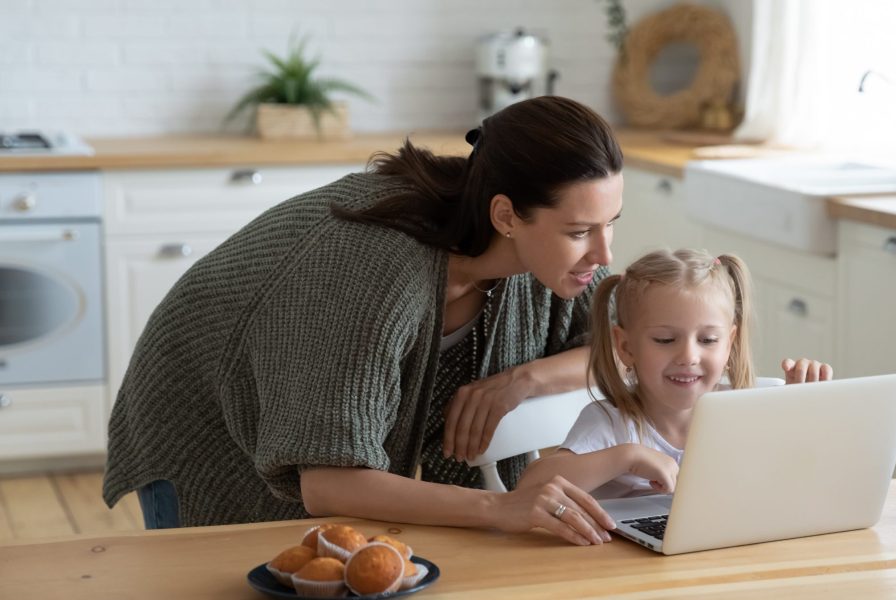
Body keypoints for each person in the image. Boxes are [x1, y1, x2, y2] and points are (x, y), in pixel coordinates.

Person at [103, 96, 621, 546]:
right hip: (205, 419)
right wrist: (501, 508)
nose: (603, 252)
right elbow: (329, 482)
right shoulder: (372, 270)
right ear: (506, 216)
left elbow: (628, 344)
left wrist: (522, 379)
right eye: (579, 231)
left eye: (610, 225)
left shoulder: (552, 261)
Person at [517, 249, 832, 499]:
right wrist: (625, 457)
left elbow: (805, 481)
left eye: (708, 340)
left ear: (729, 345)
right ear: (626, 347)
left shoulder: (746, 411)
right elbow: (530, 488)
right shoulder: (611, 423)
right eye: (665, 340)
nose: (688, 356)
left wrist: (804, 410)